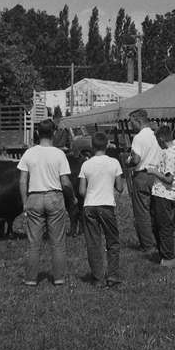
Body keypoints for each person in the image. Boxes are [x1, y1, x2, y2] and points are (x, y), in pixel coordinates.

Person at [18, 118, 73, 285]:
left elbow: (22, 181)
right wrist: (72, 197)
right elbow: (65, 182)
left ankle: (30, 279)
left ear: (36, 133)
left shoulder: (29, 153)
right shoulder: (59, 154)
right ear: (54, 133)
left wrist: (24, 202)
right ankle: (59, 278)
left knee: (34, 243)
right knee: (57, 243)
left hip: (34, 197)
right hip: (54, 197)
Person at [79, 131, 125, 287]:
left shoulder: (86, 164)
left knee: (93, 242)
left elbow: (81, 191)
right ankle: (112, 275)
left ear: (92, 146)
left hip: (90, 206)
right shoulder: (114, 163)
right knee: (112, 241)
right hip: (106, 205)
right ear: (107, 145)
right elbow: (120, 187)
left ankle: (98, 278)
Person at [145, 125, 175, 266]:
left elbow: (169, 179)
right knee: (159, 225)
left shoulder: (169, 154)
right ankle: (164, 254)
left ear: (161, 138)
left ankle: (168, 258)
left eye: (157, 140)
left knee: (164, 226)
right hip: (167, 194)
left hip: (164, 194)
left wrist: (153, 171)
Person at [126, 109, 161, 252]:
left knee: (142, 212)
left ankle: (147, 245)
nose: (130, 125)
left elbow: (136, 159)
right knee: (155, 211)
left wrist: (128, 160)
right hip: (157, 175)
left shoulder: (139, 137)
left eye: (132, 122)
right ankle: (158, 241)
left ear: (138, 120)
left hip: (142, 175)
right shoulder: (156, 135)